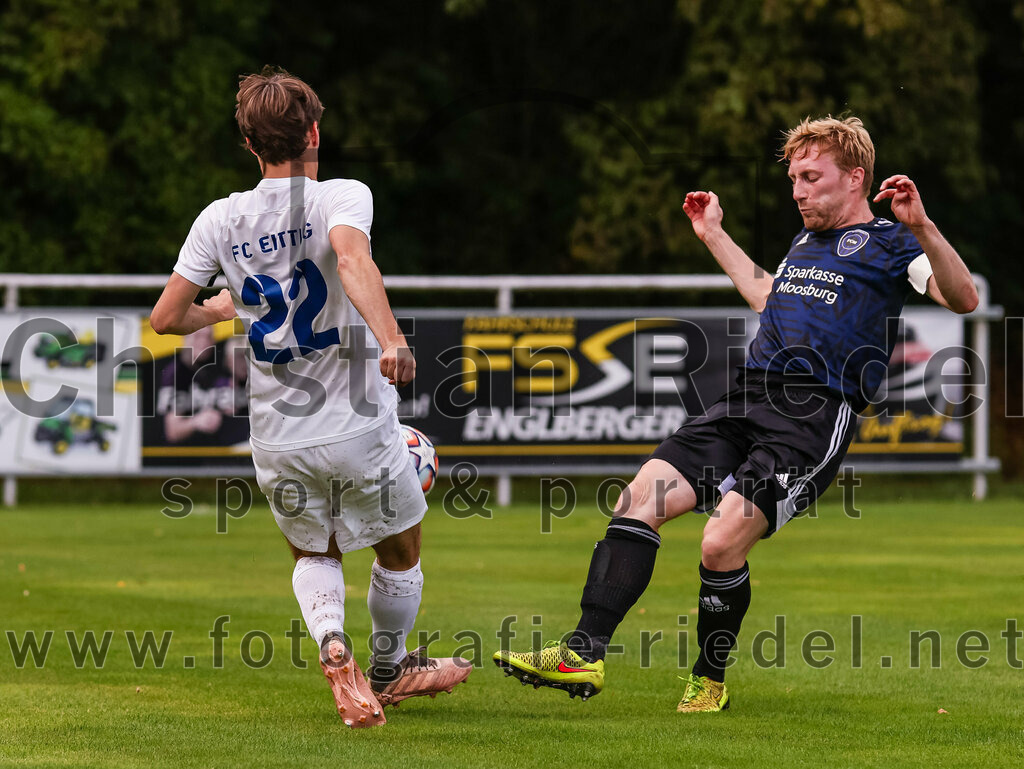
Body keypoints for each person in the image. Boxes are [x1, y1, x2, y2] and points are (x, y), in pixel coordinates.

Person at [493, 115, 978, 712]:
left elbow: (963, 298)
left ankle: (708, 679)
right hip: (745, 397)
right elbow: (771, 299)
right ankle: (582, 652)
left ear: (855, 178)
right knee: (638, 501)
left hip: (813, 416)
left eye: (810, 177)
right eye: (793, 178)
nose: (798, 190)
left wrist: (923, 225)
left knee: (720, 543)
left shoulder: (894, 242)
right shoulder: (805, 242)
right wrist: (714, 235)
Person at [150, 66, 470, 728]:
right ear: (315, 132)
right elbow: (351, 262)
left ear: (249, 145)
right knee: (399, 550)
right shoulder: (340, 196)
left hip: (277, 432)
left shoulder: (219, 218)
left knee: (313, 552)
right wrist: (392, 339)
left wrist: (224, 309)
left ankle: (330, 640)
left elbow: (164, 318)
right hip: (355, 423)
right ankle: (390, 666)